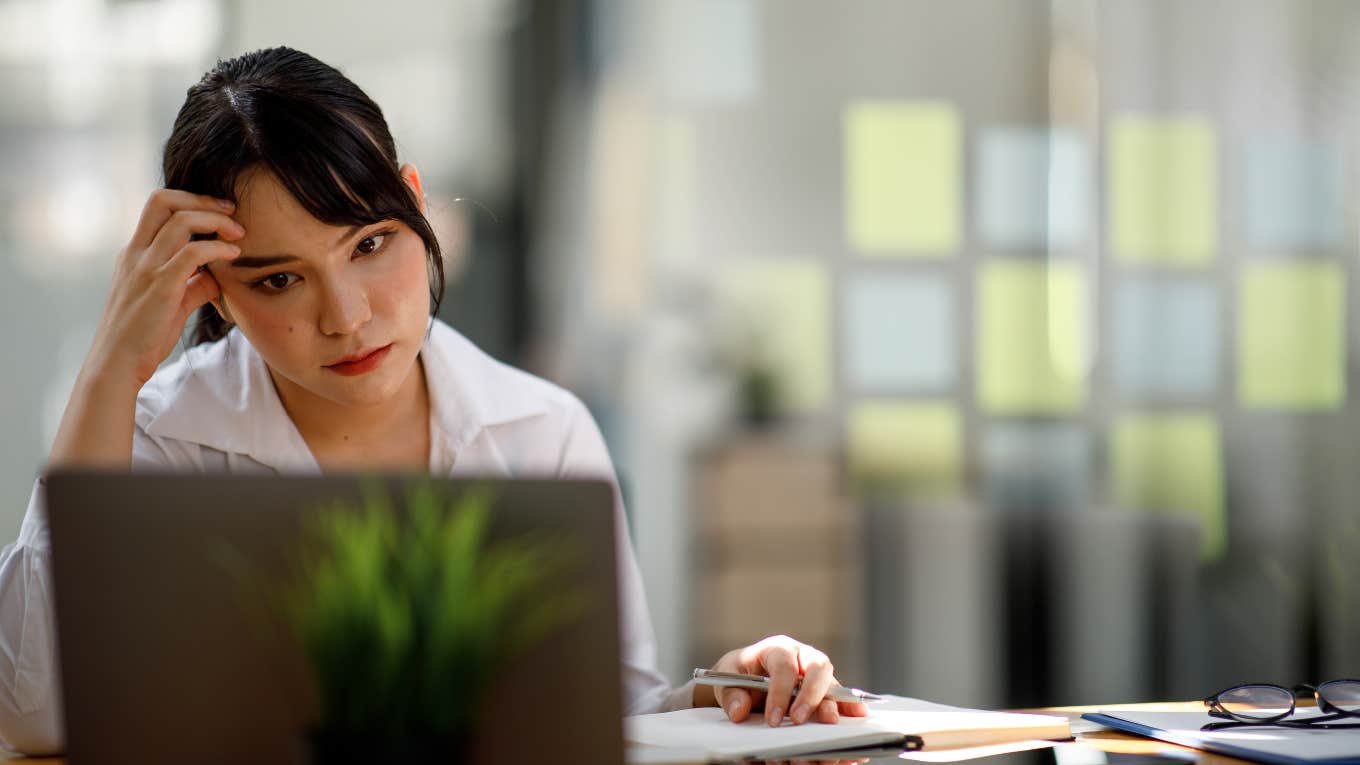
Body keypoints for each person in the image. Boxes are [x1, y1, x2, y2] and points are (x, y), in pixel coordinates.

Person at [0, 47, 867, 755]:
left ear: (416, 205)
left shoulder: (541, 429)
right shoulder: (156, 439)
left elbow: (603, 720)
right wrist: (114, 364)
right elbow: (31, 707)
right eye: (278, 279)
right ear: (213, 294)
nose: (347, 316)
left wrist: (724, 691)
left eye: (371, 243)